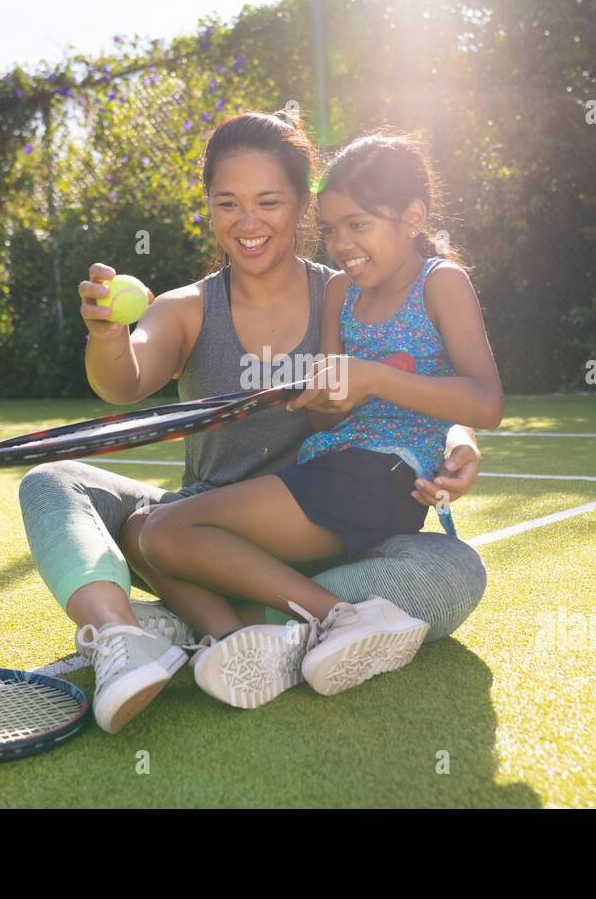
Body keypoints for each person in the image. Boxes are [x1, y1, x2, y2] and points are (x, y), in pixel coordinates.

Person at [18, 109, 488, 734]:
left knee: (456, 569)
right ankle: (122, 636)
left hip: (330, 536)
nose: (248, 222)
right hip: (199, 534)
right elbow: (121, 382)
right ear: (209, 208)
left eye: (269, 202)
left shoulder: (350, 288)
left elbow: (421, 377)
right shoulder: (187, 308)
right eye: (228, 203)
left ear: (302, 207)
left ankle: (209, 629)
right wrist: (107, 332)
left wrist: (459, 439)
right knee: (54, 484)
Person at [132, 132, 503, 711]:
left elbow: (485, 402)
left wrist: (375, 379)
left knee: (165, 533)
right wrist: (319, 396)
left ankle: (340, 619)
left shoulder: (440, 281)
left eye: (358, 225)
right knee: (149, 531)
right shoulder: (340, 292)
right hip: (328, 471)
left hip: (385, 478)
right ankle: (236, 643)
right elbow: (328, 408)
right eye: (331, 230)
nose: (342, 244)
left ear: (412, 218)